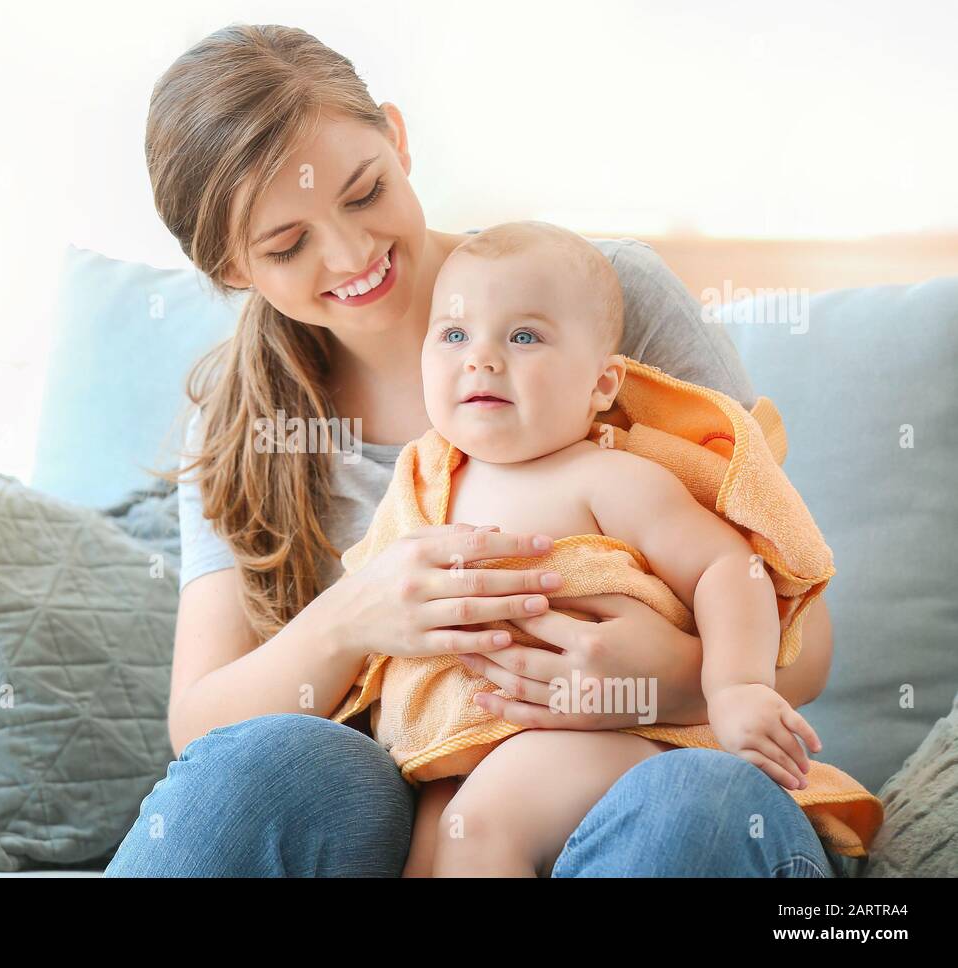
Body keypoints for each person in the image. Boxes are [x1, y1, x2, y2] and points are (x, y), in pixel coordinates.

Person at [104, 24, 840, 877]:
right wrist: (354, 614)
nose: (350, 253)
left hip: (660, 775)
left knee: (692, 809)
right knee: (255, 773)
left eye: (363, 189)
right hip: (425, 801)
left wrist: (672, 680)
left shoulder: (592, 296)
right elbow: (202, 725)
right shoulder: (248, 424)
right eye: (286, 245)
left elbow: (801, 628)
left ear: (397, 136)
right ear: (233, 270)